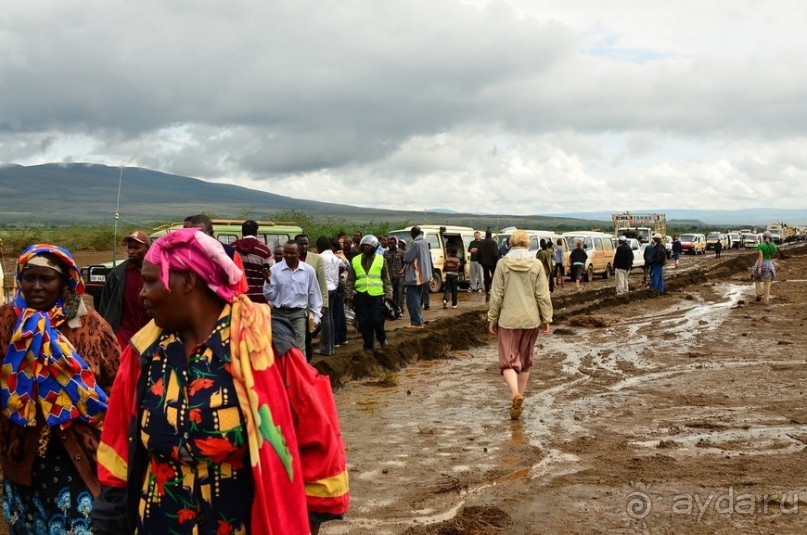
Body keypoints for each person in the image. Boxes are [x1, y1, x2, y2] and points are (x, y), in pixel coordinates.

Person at [91, 228, 349, 534]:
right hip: (159, 522)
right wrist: (107, 522)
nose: (141, 293)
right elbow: (120, 445)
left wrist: (306, 520)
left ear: (187, 281)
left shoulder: (266, 348)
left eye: (150, 281)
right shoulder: (144, 354)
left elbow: (317, 435)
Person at [1, 244, 120, 534]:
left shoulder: (88, 325)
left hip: (78, 450)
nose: (37, 287)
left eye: (47, 279)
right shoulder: (7, 321)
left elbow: (115, 381)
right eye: (30, 278)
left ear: (65, 281)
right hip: (20, 450)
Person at [487, 230, 552, 421]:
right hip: (531, 319)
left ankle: (515, 394)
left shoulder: (503, 263)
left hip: (508, 320)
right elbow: (543, 294)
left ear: (510, 244)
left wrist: (492, 318)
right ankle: (519, 397)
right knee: (525, 362)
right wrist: (546, 318)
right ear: (527, 245)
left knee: (508, 361)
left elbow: (496, 294)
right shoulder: (536, 264)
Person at [264, 240, 323, 352]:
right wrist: (268, 281)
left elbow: (314, 293)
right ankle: (284, 370)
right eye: (286, 252)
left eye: (292, 253)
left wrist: (316, 317)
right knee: (280, 348)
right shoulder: (274, 270)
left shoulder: (308, 270)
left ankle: (301, 370)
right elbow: (270, 297)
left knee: (299, 348)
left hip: (298, 315)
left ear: (299, 253)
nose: (288, 255)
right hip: (279, 314)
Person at [98, 230, 152, 347]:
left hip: (150, 335)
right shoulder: (117, 274)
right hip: (123, 336)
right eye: (129, 247)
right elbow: (105, 304)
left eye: (136, 248)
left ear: (148, 249)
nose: (131, 251)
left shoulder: (158, 273)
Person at [345, 235, 393, 354]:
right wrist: (348, 295)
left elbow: (386, 279)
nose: (366, 247)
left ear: (375, 247)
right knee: (364, 321)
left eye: (369, 245)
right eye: (364, 245)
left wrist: (388, 295)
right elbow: (350, 279)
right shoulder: (355, 260)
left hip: (376, 295)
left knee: (376, 320)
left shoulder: (381, 260)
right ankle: (368, 345)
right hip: (361, 295)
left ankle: (382, 339)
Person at [295, 234, 328, 361]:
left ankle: (306, 361)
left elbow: (322, 283)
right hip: (294, 304)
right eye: (301, 243)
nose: (304, 246)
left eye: (306, 243)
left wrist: (324, 304)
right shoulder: (289, 258)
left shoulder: (316, 259)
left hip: (310, 304)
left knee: (308, 335)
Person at [231, 219, 273, 303]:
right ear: (257, 232)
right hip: (259, 298)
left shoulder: (232, 248)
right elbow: (270, 274)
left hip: (238, 298)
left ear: (242, 233)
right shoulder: (264, 250)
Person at [317, 236, 343, 356]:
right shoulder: (335, 257)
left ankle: (325, 348)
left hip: (325, 289)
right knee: (330, 317)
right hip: (334, 287)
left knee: (325, 318)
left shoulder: (320, 257)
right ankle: (331, 347)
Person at [403, 226, 433, 329]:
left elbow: (407, 258)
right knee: (417, 299)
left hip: (415, 276)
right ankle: (419, 320)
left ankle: (416, 323)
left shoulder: (415, 244)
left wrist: (404, 251)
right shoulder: (424, 242)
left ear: (412, 233)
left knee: (412, 300)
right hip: (423, 275)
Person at [331, 239, 350, 347]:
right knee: (340, 312)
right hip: (342, 284)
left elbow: (342, 269)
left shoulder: (337, 257)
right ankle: (342, 337)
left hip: (338, 284)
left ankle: (335, 340)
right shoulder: (342, 256)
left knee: (336, 313)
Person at [752, 231, 779, 305]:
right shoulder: (774, 246)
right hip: (769, 265)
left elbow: (761, 256)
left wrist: (760, 267)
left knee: (757, 279)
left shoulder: (761, 245)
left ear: (763, 237)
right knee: (767, 283)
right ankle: (766, 300)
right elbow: (772, 255)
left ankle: (758, 294)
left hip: (760, 264)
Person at [476, 229, 501, 302]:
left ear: (485, 234)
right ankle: (493, 292)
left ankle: (487, 293)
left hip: (484, 263)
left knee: (486, 278)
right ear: (491, 234)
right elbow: (495, 254)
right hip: (493, 263)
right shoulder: (493, 242)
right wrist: (496, 262)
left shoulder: (481, 243)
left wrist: (481, 262)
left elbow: (477, 254)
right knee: (494, 277)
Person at [384, 236, 406, 313]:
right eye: (389, 244)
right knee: (391, 294)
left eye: (392, 244)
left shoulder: (401, 252)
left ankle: (400, 311)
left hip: (400, 276)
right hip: (390, 276)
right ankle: (392, 310)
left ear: (395, 243)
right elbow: (384, 265)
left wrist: (402, 270)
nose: (390, 245)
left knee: (400, 293)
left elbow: (405, 263)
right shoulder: (385, 253)